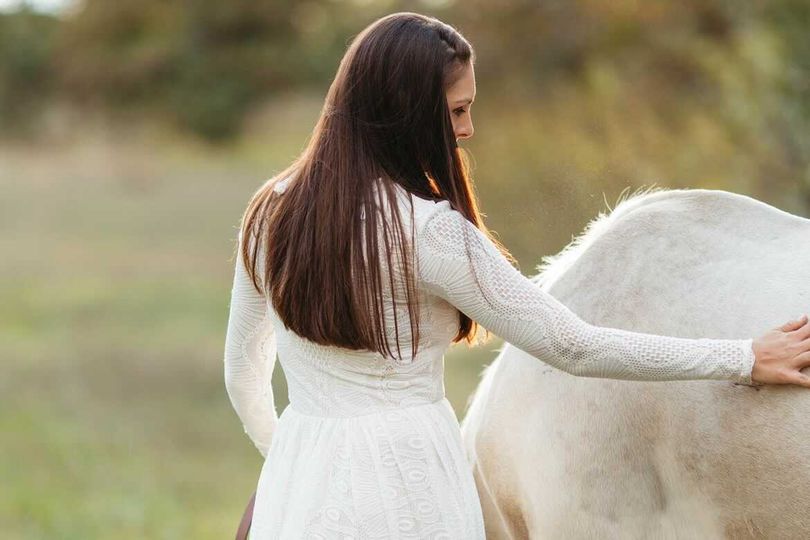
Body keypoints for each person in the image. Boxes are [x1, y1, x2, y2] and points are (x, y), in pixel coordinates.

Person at [222, 11, 810, 539]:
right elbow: (571, 345)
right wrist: (742, 358)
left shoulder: (268, 213)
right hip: (412, 479)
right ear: (405, 113)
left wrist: (293, 460)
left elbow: (242, 372)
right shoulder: (430, 233)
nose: (468, 129)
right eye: (456, 110)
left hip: (303, 475)